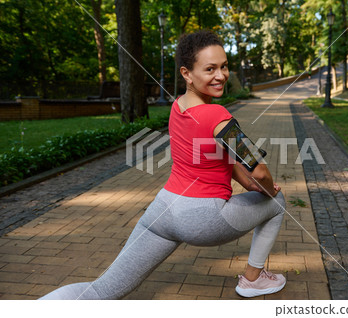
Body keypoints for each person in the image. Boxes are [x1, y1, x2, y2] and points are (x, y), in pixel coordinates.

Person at [40, 30, 286, 300]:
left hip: (163, 211)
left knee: (103, 289)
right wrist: (268, 190)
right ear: (187, 73)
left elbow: (218, 156)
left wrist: (247, 183)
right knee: (279, 202)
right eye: (210, 69)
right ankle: (253, 280)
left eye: (224, 66)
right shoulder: (218, 115)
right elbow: (259, 169)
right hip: (203, 217)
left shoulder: (178, 106)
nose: (221, 75)